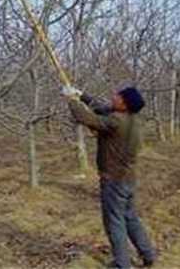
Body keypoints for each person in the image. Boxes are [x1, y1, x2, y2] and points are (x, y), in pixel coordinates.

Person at [62, 85, 156, 268]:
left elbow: (87, 118)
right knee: (130, 218)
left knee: (114, 223)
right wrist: (82, 96)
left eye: (118, 96)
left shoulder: (116, 121)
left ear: (125, 104)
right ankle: (148, 254)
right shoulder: (134, 119)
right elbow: (103, 107)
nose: (114, 96)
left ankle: (122, 264)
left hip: (114, 180)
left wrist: (71, 101)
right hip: (128, 179)